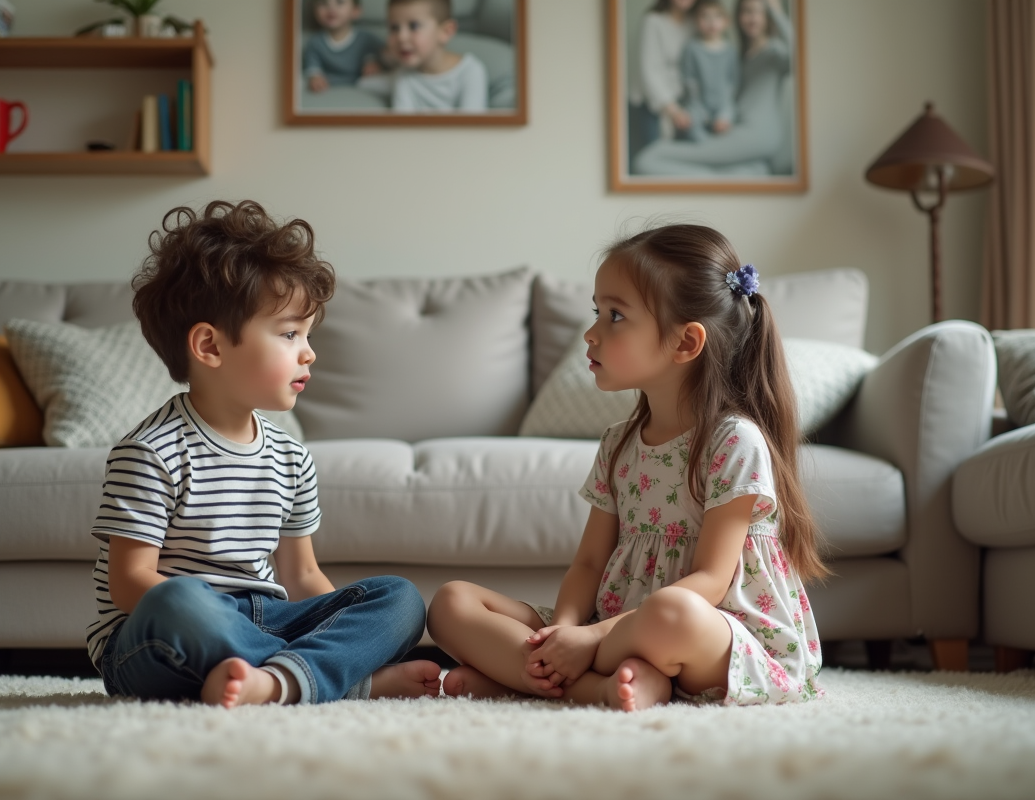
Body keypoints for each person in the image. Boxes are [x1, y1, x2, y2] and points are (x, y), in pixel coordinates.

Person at [427, 224, 826, 710]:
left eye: (615, 316)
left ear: (685, 343)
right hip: (609, 625)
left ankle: (530, 676)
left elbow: (710, 581)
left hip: (709, 631)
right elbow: (590, 563)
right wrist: (566, 631)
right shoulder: (618, 444)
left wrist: (593, 639)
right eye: (597, 312)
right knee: (451, 603)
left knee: (670, 611)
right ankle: (591, 683)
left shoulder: (734, 441)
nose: (590, 333)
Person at [85, 200, 440, 708]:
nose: (309, 352)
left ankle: (271, 681)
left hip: (263, 618)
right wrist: (213, 615)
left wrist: (332, 620)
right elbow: (128, 585)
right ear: (210, 346)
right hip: (158, 641)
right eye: (290, 333)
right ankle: (329, 677)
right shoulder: (149, 451)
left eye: (309, 334)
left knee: (399, 599)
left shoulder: (290, 455)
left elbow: (301, 576)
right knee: (181, 599)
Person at [633, 0, 795, 176]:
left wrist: (777, 13)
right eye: (746, 12)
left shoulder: (774, 52)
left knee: (649, 160)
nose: (752, 18)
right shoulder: (742, 53)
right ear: (736, 18)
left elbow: (800, 56)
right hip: (734, 128)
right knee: (754, 170)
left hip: (756, 133)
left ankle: (719, 182)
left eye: (758, 12)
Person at [386, 0, 488, 112]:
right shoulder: (403, 76)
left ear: (446, 31)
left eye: (414, 26)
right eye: (394, 28)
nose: (401, 37)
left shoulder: (470, 71)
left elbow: (472, 126)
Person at [631, 0, 697, 150]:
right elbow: (649, 70)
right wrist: (673, 110)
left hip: (683, 104)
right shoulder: (653, 21)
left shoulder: (694, 22)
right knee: (651, 158)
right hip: (651, 105)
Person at [679, 0, 739, 142]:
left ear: (726, 21)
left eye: (717, 16)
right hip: (697, 108)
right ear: (696, 21)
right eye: (705, 16)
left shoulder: (730, 52)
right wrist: (698, 111)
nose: (712, 22)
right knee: (692, 131)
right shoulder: (692, 49)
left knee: (729, 134)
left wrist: (724, 114)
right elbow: (689, 82)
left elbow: (733, 84)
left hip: (723, 107)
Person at [302, 0, 385, 93]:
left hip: (363, 87)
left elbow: (386, 54)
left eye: (339, 2)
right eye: (323, 3)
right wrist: (314, 77)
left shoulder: (367, 39)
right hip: (328, 89)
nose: (331, 8)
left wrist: (375, 63)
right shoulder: (314, 43)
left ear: (355, 11)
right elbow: (313, 68)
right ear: (315, 11)